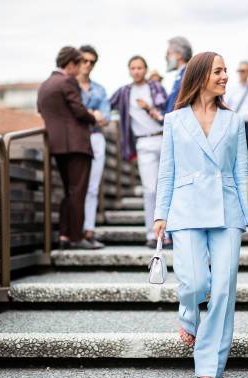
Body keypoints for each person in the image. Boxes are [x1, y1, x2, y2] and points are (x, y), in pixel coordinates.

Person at [153, 52, 248, 378]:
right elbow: (166, 172)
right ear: (200, 77)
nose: (225, 76)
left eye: (226, 71)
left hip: (227, 209)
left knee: (223, 287)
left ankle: (209, 360)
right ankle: (188, 316)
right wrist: (160, 214)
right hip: (185, 207)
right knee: (194, 282)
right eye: (218, 71)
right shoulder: (174, 120)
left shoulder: (234, 120)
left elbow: (242, 172)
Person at [37, 46, 105, 250]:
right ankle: (77, 237)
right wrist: (95, 118)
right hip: (76, 145)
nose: (82, 68)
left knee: (68, 192)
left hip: (57, 146)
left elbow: (42, 110)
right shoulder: (67, 81)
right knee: (78, 192)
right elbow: (79, 111)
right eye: (79, 63)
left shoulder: (45, 84)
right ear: (70, 64)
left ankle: (65, 235)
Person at [109, 55, 169, 248]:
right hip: (142, 144)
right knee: (150, 189)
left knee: (166, 189)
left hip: (163, 138)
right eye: (133, 68)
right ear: (129, 70)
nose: (136, 71)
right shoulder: (124, 92)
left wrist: (149, 108)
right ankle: (152, 234)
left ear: (145, 69)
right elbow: (106, 105)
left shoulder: (156, 88)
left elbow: (167, 112)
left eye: (140, 68)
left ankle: (168, 233)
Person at [77, 44, 110, 249]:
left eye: (92, 62)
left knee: (92, 187)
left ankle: (89, 230)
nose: (88, 65)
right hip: (76, 140)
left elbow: (105, 118)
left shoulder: (99, 89)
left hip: (96, 138)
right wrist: (92, 115)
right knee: (77, 187)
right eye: (84, 61)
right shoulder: (69, 86)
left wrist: (89, 116)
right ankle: (74, 231)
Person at [225, 61, 248, 149]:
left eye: (243, 70)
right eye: (239, 70)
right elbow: (225, 107)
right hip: (234, 125)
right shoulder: (231, 89)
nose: (241, 73)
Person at [164, 36, 192, 114]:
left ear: (179, 55)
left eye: (169, 53)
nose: (166, 57)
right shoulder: (182, 74)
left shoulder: (187, 75)